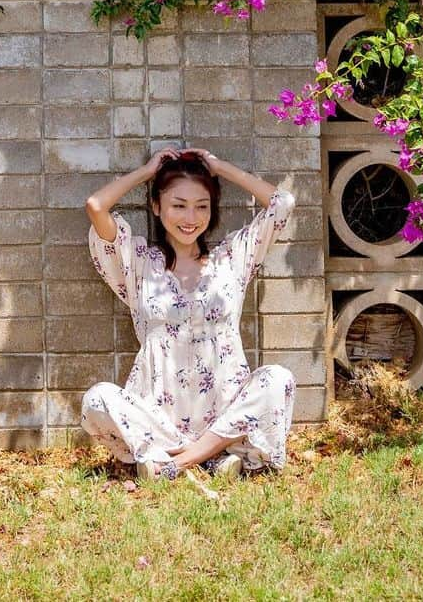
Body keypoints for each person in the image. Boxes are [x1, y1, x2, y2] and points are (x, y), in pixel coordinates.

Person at [81, 146, 296, 480]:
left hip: (224, 415)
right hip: (158, 417)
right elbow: (96, 206)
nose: (190, 218)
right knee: (98, 400)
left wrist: (220, 166)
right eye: (178, 206)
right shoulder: (138, 263)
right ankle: (211, 459)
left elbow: (282, 204)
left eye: (201, 206)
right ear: (156, 206)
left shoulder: (232, 259)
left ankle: (178, 463)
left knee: (277, 379)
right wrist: (147, 172)